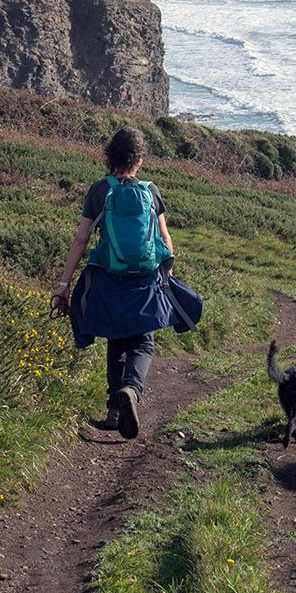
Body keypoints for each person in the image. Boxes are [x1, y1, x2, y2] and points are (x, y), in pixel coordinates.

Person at [51, 126, 198, 439]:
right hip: (145, 278)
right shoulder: (150, 190)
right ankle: (131, 390)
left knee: (116, 340)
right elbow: (165, 238)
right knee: (142, 341)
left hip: (108, 277)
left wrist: (64, 285)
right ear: (140, 160)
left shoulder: (99, 190)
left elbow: (81, 240)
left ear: (109, 158)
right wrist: (166, 276)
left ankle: (114, 411)